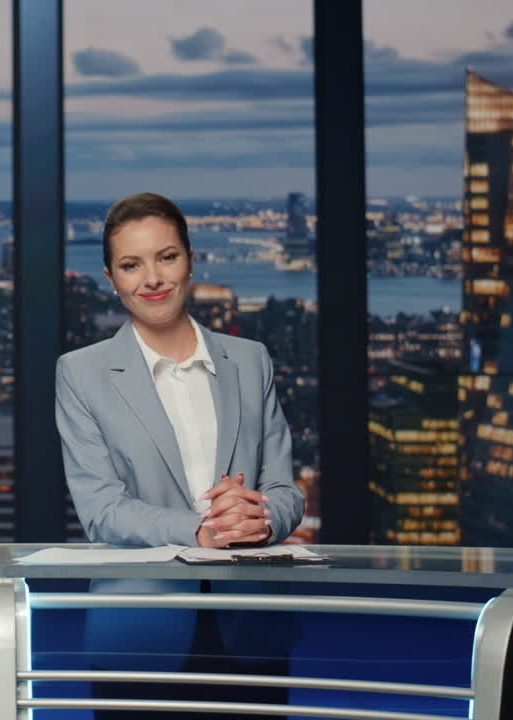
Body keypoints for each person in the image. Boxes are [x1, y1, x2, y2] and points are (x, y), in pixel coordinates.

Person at [55, 192, 304, 719]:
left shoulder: (250, 360)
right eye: (131, 265)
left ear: (190, 260)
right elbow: (101, 509)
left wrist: (258, 520)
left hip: (251, 626)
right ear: (111, 278)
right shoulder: (81, 373)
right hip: (139, 630)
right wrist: (202, 531)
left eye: (166, 257)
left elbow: (285, 491)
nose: (152, 279)